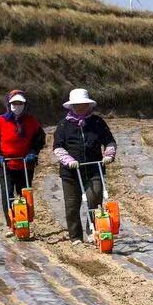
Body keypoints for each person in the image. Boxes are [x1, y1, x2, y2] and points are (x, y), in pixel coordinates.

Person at [51, 88, 117, 242]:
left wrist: (108, 154)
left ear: (89, 105)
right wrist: (69, 160)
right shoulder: (63, 125)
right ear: (71, 106)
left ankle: (92, 231)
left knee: (95, 198)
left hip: (94, 169)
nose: (81, 107)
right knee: (72, 206)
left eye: (84, 104)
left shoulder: (97, 122)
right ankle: (75, 237)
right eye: (77, 105)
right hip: (71, 172)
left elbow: (109, 140)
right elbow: (58, 147)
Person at [0, 89, 44, 233]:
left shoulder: (31, 121)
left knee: (24, 193)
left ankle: (25, 220)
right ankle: (11, 224)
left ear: (25, 105)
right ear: (8, 103)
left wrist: (33, 152)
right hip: (5, 164)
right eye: (14, 103)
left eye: (19, 103)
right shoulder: (1, 121)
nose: (16, 106)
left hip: (25, 164)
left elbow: (40, 139)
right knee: (8, 193)